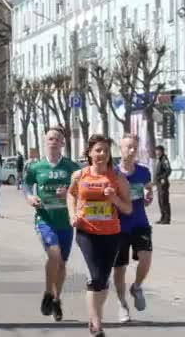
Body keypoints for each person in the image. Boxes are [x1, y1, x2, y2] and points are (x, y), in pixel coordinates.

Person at [67, 134, 132, 337]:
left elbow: (128, 208)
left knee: (103, 279)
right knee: (95, 277)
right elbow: (71, 194)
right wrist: (72, 215)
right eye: (97, 150)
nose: (101, 154)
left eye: (105, 150)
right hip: (86, 232)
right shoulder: (80, 175)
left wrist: (114, 198)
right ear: (89, 153)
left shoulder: (117, 178)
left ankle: (95, 315)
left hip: (111, 234)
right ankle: (97, 323)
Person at [24, 127, 79, 322]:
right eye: (50, 139)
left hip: (65, 220)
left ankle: (56, 299)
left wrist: (70, 194)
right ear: (45, 142)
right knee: (53, 255)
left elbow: (81, 191)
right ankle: (48, 293)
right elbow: (27, 185)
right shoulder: (36, 167)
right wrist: (30, 197)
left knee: (62, 263)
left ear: (62, 143)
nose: (53, 142)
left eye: (57, 139)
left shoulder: (72, 167)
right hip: (44, 219)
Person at [113, 134, 154, 323]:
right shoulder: (112, 173)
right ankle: (122, 304)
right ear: (120, 149)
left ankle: (136, 286)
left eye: (134, 147)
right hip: (118, 226)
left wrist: (148, 195)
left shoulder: (144, 171)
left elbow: (148, 189)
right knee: (120, 267)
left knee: (145, 258)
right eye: (128, 147)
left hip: (139, 223)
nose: (132, 150)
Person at [154, 145, 172, 225]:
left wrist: (163, 178)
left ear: (162, 151)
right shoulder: (159, 159)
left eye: (158, 150)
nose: (157, 152)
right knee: (160, 201)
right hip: (158, 183)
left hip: (163, 183)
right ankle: (162, 217)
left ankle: (167, 219)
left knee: (164, 201)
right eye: (156, 150)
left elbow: (168, 170)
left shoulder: (164, 159)